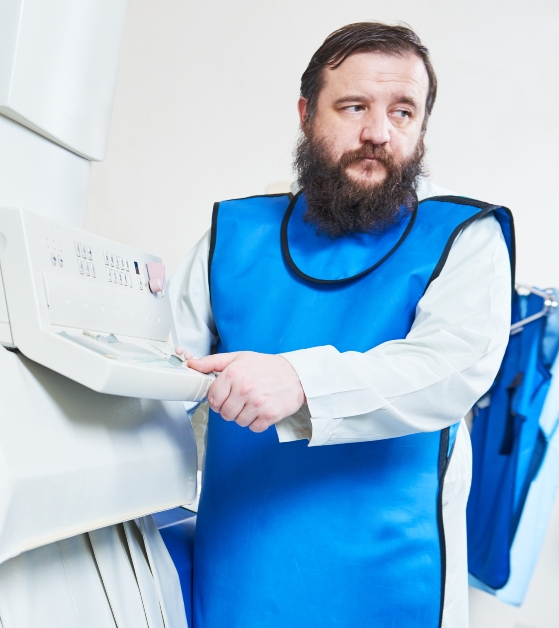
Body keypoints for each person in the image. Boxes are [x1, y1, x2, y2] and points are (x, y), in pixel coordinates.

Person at [168, 23, 512, 628]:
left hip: (390, 581)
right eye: (354, 107)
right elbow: (163, 376)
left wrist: (300, 382)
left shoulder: (463, 236)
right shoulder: (232, 238)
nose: (379, 132)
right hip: (239, 569)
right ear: (306, 115)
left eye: (403, 112)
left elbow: (449, 372)